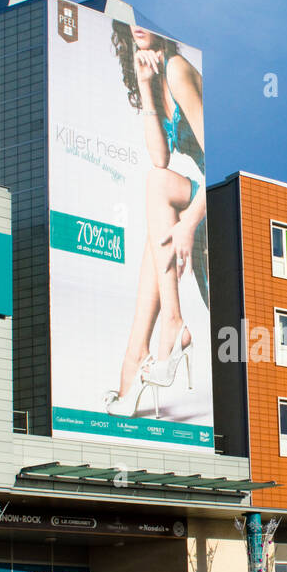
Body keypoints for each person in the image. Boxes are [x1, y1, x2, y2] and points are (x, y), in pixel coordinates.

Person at [103, 20, 208, 419]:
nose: (137, 26)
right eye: (130, 21)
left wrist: (190, 222)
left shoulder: (178, 68)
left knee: (158, 190)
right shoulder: (156, 72)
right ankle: (144, 345)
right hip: (197, 193)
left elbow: (220, 162)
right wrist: (145, 85)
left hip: (224, 196)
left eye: (145, 18)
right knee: (157, 192)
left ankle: (150, 342)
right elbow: (160, 158)